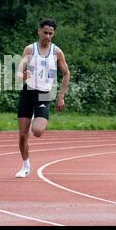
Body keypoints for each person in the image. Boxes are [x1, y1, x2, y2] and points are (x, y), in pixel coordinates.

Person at [15, 19, 70, 178]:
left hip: (44, 94)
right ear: (39, 31)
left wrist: (61, 96)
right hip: (28, 92)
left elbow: (66, 73)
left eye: (50, 33)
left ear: (53, 34)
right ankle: (25, 165)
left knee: (37, 131)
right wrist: (20, 73)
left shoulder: (56, 52)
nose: (47, 36)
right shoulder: (30, 49)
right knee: (23, 135)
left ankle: (36, 118)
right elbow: (22, 64)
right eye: (45, 32)